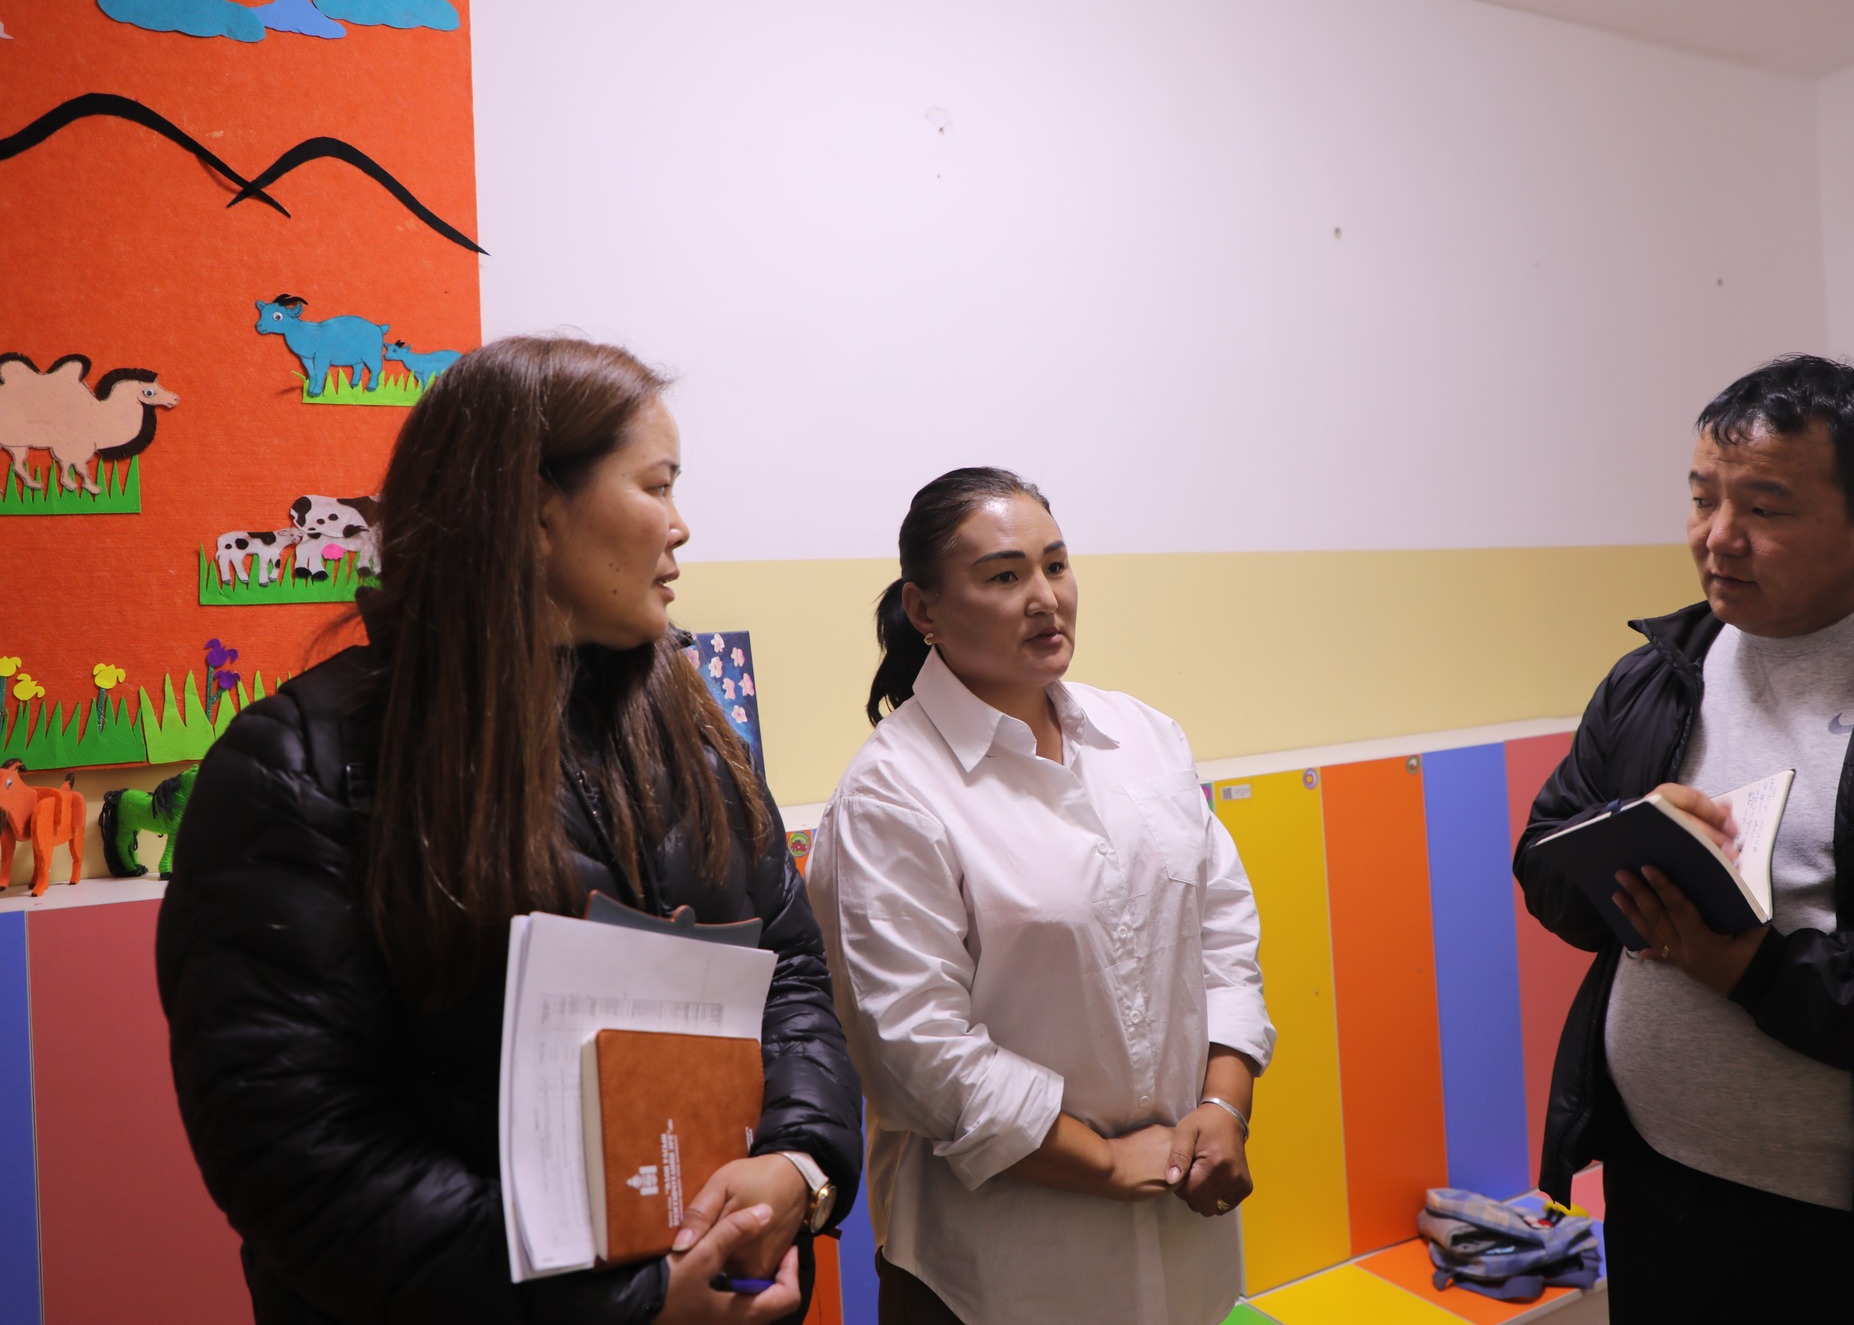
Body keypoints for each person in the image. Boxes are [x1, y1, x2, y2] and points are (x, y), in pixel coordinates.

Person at [156, 337, 863, 1324]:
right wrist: (628, 1303)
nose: (681, 526)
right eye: (657, 486)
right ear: (534, 512)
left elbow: (788, 977)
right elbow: (300, 1156)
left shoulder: (693, 729)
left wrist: (801, 1164)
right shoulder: (300, 766)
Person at [1515, 354, 1854, 1322]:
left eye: (1763, 508)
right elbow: (1545, 860)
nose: (1717, 538)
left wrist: (1762, 972)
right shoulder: (1653, 677)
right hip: (1657, 1182)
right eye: (1700, 499)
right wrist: (1628, 851)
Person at [806, 467, 1275, 1325]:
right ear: (923, 608)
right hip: (999, 1277)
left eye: (1056, 565)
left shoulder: (1144, 737)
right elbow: (917, 1050)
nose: (1045, 598)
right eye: (1004, 575)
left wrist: (1223, 1102)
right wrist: (1105, 1161)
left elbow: (1222, 932)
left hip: (1185, 1247)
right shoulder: (892, 792)